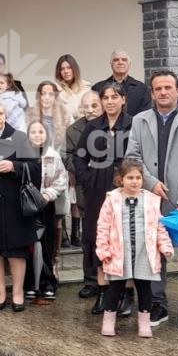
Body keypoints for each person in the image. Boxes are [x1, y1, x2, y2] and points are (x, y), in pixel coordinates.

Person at [125, 70, 178, 331]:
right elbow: (132, 157)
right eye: (158, 88)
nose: (163, 92)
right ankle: (158, 304)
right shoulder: (140, 121)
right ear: (152, 93)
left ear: (177, 90)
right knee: (155, 255)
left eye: (168, 87)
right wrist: (151, 182)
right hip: (153, 199)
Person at [95, 159, 176, 338]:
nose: (134, 181)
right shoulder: (112, 199)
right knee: (115, 288)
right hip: (118, 252)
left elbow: (159, 226)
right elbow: (103, 226)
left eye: (138, 178)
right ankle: (108, 320)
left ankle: (144, 323)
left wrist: (165, 245)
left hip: (143, 252)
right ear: (121, 179)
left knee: (144, 288)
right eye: (130, 178)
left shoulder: (151, 200)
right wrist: (103, 249)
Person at [74, 82, 134, 316]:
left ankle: (126, 295)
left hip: (125, 188)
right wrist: (87, 179)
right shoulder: (93, 126)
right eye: (106, 97)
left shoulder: (133, 124)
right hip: (97, 189)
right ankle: (103, 292)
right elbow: (79, 156)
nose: (110, 101)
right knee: (100, 239)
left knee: (124, 240)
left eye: (114, 97)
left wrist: (129, 180)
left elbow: (139, 156)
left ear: (123, 99)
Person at [0, 98, 40, 312]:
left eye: (1, 113)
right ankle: (0, 293)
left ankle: (18, 293)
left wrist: (15, 166)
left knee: (16, 250)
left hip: (15, 204)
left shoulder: (19, 137)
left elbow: (36, 168)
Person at [26, 120, 68, 302]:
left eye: (40, 132)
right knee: (28, 246)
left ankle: (48, 283)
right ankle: (30, 284)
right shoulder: (23, 154)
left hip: (46, 204)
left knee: (46, 245)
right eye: (33, 132)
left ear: (47, 135)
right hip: (27, 205)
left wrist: (48, 194)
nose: (37, 135)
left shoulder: (53, 155)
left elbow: (61, 179)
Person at [65, 91, 101, 256]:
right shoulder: (73, 130)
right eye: (86, 107)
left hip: (109, 184)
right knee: (89, 230)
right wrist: (83, 170)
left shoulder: (111, 125)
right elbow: (67, 155)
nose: (90, 110)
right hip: (84, 184)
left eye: (94, 105)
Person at [91, 51, 150, 117]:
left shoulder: (142, 88)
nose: (120, 62)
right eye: (116, 60)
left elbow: (145, 115)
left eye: (124, 60)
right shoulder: (98, 88)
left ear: (129, 64)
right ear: (111, 64)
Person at [54, 54, 90, 123]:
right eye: (62, 69)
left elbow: (88, 111)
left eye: (69, 68)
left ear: (74, 69)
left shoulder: (86, 88)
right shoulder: (55, 90)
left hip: (84, 125)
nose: (66, 71)